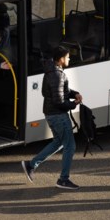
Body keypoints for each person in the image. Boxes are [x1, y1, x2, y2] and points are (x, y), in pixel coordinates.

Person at [21, 46, 83, 190]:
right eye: (67, 57)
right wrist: (74, 104)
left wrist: (74, 94)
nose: (69, 59)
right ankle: (63, 179)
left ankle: (31, 165)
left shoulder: (51, 71)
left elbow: (53, 92)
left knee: (58, 143)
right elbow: (59, 101)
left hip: (51, 114)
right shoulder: (57, 74)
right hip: (58, 115)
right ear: (61, 59)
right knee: (70, 146)